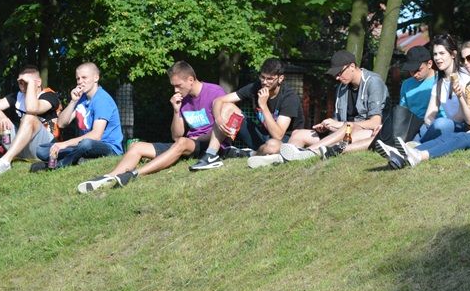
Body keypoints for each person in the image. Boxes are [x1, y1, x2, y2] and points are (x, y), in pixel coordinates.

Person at [76, 61, 225, 192]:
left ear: (191, 80)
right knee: (137, 146)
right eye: (173, 86)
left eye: (178, 86)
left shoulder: (215, 92)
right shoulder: (183, 100)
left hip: (210, 145)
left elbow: (221, 126)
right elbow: (176, 136)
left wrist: (195, 138)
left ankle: (134, 174)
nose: (175, 90)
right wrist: (176, 110)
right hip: (188, 144)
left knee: (182, 142)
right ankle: (109, 177)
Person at [376, 39, 470, 168]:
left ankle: (416, 153)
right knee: (439, 130)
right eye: (436, 54)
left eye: (469, 58)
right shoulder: (461, 84)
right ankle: (402, 154)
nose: (466, 63)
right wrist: (461, 98)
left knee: (447, 128)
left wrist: (467, 129)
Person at [188, 58, 304, 170]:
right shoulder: (255, 87)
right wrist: (218, 119)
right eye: (262, 77)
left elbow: (278, 135)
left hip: (283, 141)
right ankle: (211, 155)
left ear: (280, 78)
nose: (264, 82)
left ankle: (250, 154)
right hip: (260, 135)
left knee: (272, 146)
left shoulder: (290, 98)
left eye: (270, 79)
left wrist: (263, 106)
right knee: (228, 107)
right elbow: (218, 101)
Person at [278, 49, 389, 162]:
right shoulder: (341, 88)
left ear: (352, 66)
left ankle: (308, 153)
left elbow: (375, 122)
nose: (337, 77)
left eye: (339, 73)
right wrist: (329, 126)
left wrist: (340, 124)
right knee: (298, 134)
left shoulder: (374, 82)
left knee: (348, 127)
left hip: (366, 134)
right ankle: (287, 162)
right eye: (336, 74)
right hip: (342, 133)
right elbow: (339, 121)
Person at [0, 64, 60, 177]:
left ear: (38, 82)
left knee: (30, 117)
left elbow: (32, 108)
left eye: (26, 81)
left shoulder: (49, 96)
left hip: (43, 147)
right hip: (19, 146)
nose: (22, 84)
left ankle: (5, 161)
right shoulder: (17, 96)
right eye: (20, 82)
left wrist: (31, 84)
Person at [34, 62, 123, 170]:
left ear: (96, 78)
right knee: (42, 150)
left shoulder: (102, 100)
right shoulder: (81, 98)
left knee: (85, 144)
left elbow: (96, 136)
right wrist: (73, 101)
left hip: (107, 148)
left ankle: (59, 165)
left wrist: (64, 144)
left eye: (84, 77)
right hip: (82, 147)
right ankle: (80, 159)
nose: (80, 82)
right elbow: (61, 124)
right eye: (78, 79)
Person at [413, 33, 470, 143]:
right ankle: (406, 147)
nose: (437, 58)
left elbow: (461, 117)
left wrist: (436, 126)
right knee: (423, 126)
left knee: (440, 124)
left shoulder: (465, 77)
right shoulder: (439, 79)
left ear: (453, 54)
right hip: (446, 125)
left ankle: (415, 146)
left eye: (442, 53)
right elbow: (429, 114)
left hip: (463, 127)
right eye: (435, 54)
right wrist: (431, 125)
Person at [399, 45, 436, 119]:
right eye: (411, 71)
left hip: (434, 124)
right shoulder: (406, 84)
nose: (415, 75)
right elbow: (403, 111)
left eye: (418, 70)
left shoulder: (440, 80)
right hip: (412, 126)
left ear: (429, 64)